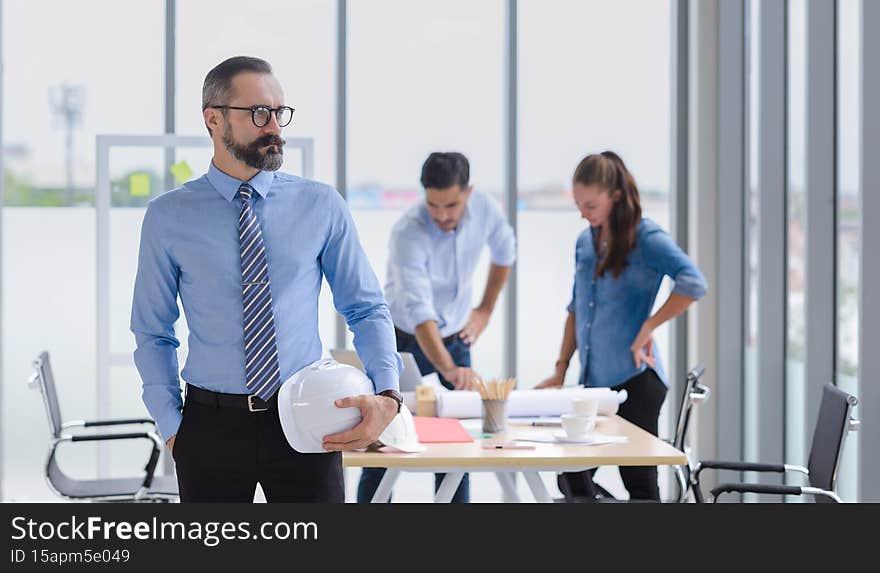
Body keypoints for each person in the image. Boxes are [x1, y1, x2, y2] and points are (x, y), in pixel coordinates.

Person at [131, 56, 403, 503]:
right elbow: (152, 329)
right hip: (209, 429)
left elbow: (366, 307)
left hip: (310, 416)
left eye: (280, 112)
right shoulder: (168, 217)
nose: (274, 126)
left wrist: (388, 396)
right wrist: (172, 427)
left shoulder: (321, 205)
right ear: (213, 119)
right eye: (259, 113)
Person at [536, 151, 707, 502]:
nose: (583, 213)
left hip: (637, 381)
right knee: (572, 479)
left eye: (591, 205)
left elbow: (693, 283)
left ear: (614, 195)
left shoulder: (646, 238)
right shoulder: (585, 242)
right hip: (595, 385)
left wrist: (649, 325)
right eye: (578, 205)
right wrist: (560, 369)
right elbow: (576, 309)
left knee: (640, 486)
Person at [356, 152, 516, 503]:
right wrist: (449, 368)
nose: (442, 215)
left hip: (456, 335)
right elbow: (419, 311)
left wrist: (485, 311)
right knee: (383, 434)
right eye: (433, 205)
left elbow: (505, 252)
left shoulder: (485, 209)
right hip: (402, 337)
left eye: (451, 205)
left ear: (468, 192)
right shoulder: (408, 233)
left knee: (456, 440)